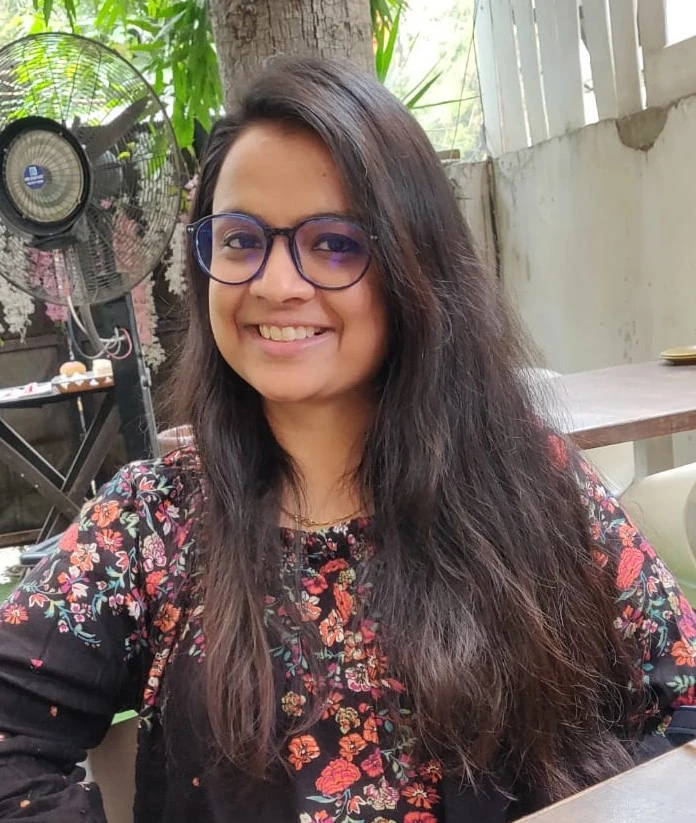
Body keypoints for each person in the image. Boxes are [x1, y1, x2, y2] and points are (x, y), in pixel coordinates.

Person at [0, 57, 694, 823]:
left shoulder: (530, 482)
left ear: (415, 264)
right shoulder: (152, 522)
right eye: (240, 240)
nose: (274, 283)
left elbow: (684, 701)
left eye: (333, 244)